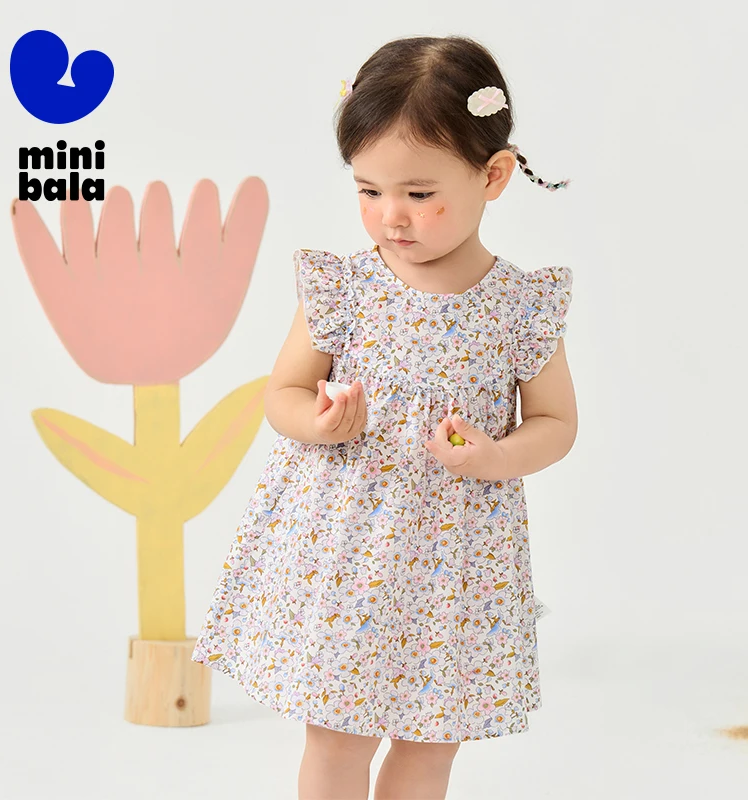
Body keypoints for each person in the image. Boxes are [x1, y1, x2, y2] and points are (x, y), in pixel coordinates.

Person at [192, 34, 577, 800]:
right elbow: (283, 393)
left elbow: (555, 422)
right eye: (368, 190)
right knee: (337, 737)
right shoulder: (345, 289)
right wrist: (319, 421)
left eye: (419, 194)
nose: (390, 216)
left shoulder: (519, 307)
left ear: (493, 176)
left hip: (456, 565)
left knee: (431, 743)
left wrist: (498, 455)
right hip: (347, 558)